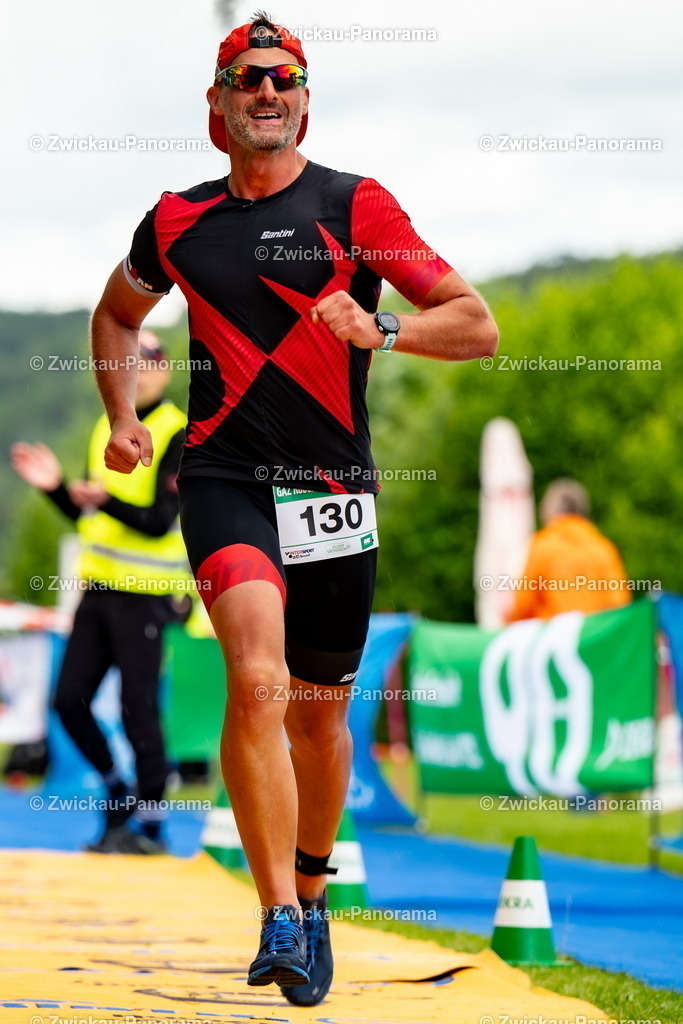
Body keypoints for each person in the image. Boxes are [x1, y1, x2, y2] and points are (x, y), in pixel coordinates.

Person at [89, 12, 498, 1005]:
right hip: (222, 480)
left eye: (284, 80)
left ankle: (312, 897)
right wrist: (122, 417)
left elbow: (475, 325)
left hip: (332, 493)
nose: (266, 91)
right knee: (255, 676)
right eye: (246, 78)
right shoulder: (176, 221)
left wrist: (382, 323)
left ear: (305, 101)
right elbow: (114, 313)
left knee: (319, 719)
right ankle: (275, 910)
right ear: (216, 109)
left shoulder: (355, 206)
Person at [11, 334, 188, 853]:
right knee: (68, 701)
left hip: (148, 596)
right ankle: (116, 791)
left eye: (147, 362)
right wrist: (55, 489)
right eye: (127, 363)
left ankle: (151, 828)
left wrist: (103, 500)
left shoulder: (176, 431)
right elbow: (86, 513)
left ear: (164, 369)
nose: (138, 370)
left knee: (138, 708)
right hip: (98, 592)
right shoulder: (107, 427)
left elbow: (159, 522)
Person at [507, 478, 631, 622]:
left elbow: (523, 605)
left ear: (549, 512)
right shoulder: (603, 549)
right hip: (595, 639)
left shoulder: (542, 547)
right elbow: (619, 604)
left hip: (556, 640)